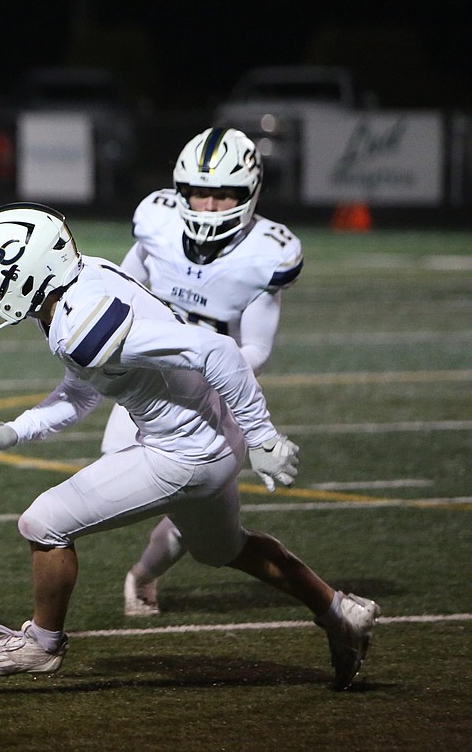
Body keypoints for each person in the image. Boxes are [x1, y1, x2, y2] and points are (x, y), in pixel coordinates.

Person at [0, 203, 379, 690]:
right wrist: (17, 429)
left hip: (184, 452)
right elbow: (86, 385)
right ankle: (339, 611)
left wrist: (265, 437)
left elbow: (216, 350)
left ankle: (41, 644)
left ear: (28, 274)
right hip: (212, 435)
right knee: (226, 549)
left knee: (43, 522)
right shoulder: (84, 280)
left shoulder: (81, 325)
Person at [104, 127, 304, 617]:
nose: (210, 206)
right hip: (146, 383)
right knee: (120, 463)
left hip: (213, 395)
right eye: (199, 193)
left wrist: (197, 364)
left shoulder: (267, 251)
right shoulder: (157, 222)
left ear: (249, 194)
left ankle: (143, 576)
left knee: (199, 511)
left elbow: (255, 346)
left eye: (223, 195)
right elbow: (125, 287)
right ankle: (148, 571)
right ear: (180, 191)